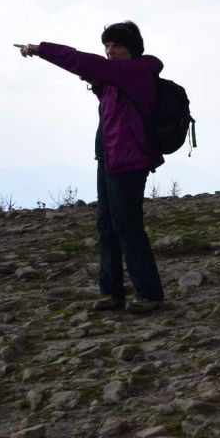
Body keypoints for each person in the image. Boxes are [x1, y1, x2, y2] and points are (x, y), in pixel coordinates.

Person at [16, 22, 165, 314]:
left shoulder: (134, 71)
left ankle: (149, 293)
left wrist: (39, 49)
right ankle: (111, 293)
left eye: (116, 45)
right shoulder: (116, 78)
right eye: (106, 45)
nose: (110, 51)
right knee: (106, 225)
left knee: (127, 226)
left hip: (129, 160)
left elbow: (80, 60)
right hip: (109, 157)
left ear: (132, 48)